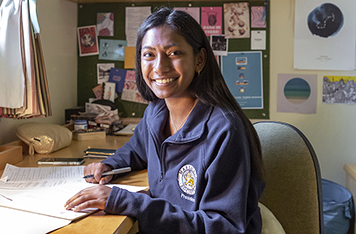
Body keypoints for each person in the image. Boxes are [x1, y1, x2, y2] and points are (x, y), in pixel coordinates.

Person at [65, 7, 265, 234]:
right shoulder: (156, 113)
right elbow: (137, 149)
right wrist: (110, 165)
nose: (160, 66)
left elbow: (223, 227)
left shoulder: (224, 130)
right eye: (148, 54)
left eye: (174, 53)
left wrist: (126, 201)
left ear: (200, 60)